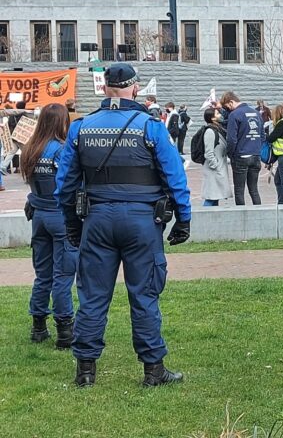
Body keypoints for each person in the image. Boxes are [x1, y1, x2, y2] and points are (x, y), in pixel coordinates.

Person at [55, 63, 191, 387]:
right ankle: (153, 370)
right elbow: (175, 177)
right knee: (144, 295)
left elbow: (65, 186)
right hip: (142, 222)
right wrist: (183, 218)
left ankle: (85, 371)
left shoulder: (82, 127)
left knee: (92, 297)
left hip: (98, 220)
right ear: (135, 88)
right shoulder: (151, 126)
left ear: (103, 89)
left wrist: (73, 225)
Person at [19, 103, 77, 348]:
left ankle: (38, 326)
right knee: (62, 276)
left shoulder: (30, 149)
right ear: (61, 122)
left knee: (42, 275)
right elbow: (69, 183)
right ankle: (65, 332)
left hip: (39, 216)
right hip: (59, 217)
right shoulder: (60, 149)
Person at [220, 91, 265, 206]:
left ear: (231, 102)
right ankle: (259, 213)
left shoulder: (234, 115)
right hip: (255, 155)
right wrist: (256, 150)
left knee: (239, 190)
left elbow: (231, 139)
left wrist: (231, 154)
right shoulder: (256, 113)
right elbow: (263, 135)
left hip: (241, 156)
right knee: (254, 190)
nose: (227, 110)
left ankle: (241, 216)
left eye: (227, 107)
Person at [201, 107, 232, 207]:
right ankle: (204, 218)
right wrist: (215, 165)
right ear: (213, 118)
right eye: (218, 114)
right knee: (211, 197)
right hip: (214, 170)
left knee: (215, 197)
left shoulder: (218, 129)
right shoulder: (210, 131)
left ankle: (211, 220)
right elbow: (208, 152)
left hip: (218, 168)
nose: (220, 116)